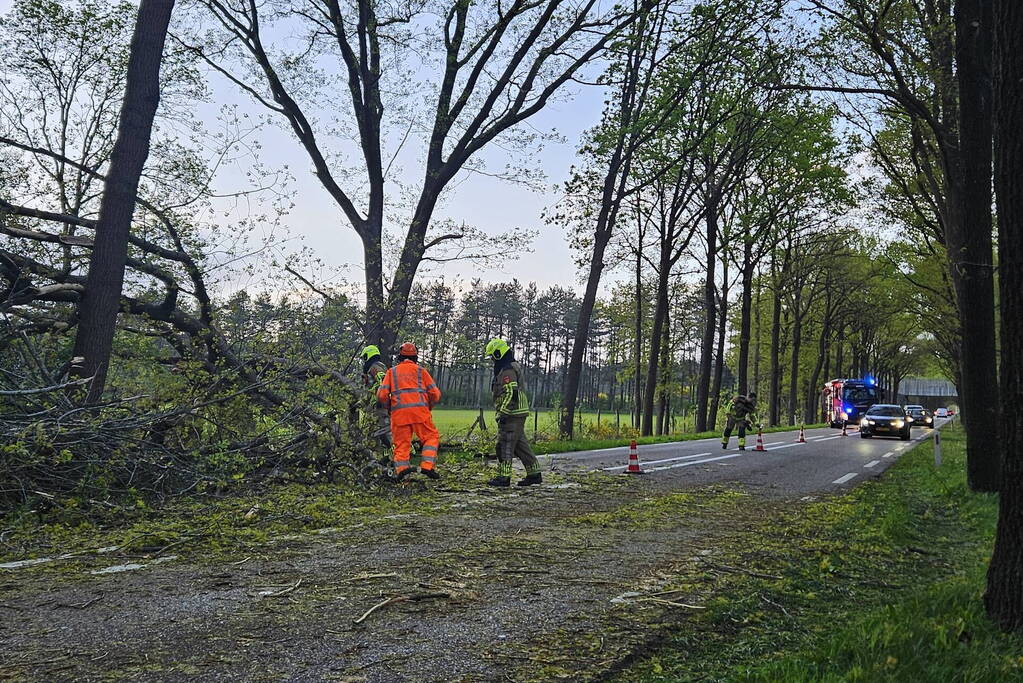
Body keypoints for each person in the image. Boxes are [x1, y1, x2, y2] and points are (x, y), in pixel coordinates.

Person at [377, 342, 442, 481]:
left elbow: (382, 395)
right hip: (420, 414)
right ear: (415, 357)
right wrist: (428, 406)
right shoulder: (421, 371)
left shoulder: (391, 372)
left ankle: (403, 475)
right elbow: (435, 394)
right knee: (431, 437)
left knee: (401, 446)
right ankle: (427, 466)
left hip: (399, 416)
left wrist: (390, 408)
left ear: (399, 357)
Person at [485, 338, 542, 487]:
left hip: (512, 413)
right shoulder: (509, 367)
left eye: (492, 356)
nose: (492, 359)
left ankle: (503, 477)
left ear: (498, 353)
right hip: (518, 412)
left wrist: (503, 413)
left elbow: (512, 393)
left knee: (504, 445)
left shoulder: (507, 370)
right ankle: (534, 474)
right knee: (520, 445)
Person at [359, 345, 392, 454]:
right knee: (373, 434)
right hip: (374, 408)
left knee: (385, 433)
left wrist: (379, 399)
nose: (364, 361)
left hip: (379, 407)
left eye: (364, 357)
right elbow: (369, 391)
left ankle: (399, 455)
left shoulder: (376, 367)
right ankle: (376, 460)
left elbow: (382, 382)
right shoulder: (375, 367)